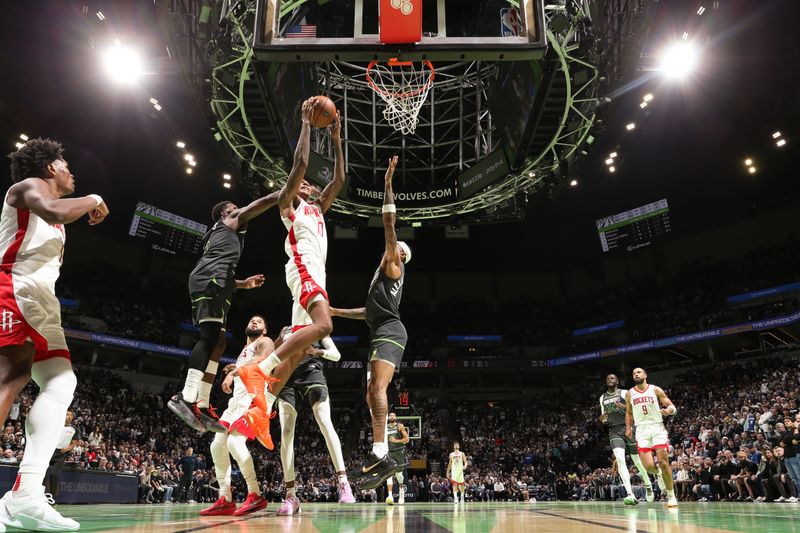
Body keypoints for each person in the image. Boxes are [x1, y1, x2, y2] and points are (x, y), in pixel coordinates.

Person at [0, 138, 109, 532]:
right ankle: (20, 497)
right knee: (9, 380)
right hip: (16, 289)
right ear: (48, 168)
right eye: (65, 164)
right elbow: (55, 211)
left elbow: (60, 215)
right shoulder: (29, 187)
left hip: (43, 301)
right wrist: (94, 197)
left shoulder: (56, 211)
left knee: (62, 383)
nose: (71, 172)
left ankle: (24, 494)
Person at [235, 98, 345, 447]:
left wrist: (338, 138)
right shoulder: (288, 204)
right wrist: (307, 124)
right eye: (303, 184)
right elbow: (300, 162)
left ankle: (260, 410)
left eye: (311, 185)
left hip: (314, 274)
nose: (308, 184)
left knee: (298, 351)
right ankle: (262, 369)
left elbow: (340, 178)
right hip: (302, 269)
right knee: (325, 325)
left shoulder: (318, 208)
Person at [167, 184, 282, 433]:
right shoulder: (228, 221)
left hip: (221, 284)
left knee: (219, 342)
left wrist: (242, 283)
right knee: (209, 337)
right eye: (233, 208)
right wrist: (281, 194)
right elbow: (255, 207)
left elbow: (219, 263)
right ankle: (185, 396)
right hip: (210, 281)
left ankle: (203, 402)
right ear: (225, 214)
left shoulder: (226, 236)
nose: (238, 210)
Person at [329, 156, 412, 489]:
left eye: (394, 249)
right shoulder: (382, 282)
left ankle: (381, 452)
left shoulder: (393, 264)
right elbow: (366, 312)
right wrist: (335, 312)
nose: (389, 250)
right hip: (381, 329)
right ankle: (379, 451)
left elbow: (389, 225)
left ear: (399, 254)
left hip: (390, 332)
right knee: (370, 392)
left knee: (376, 389)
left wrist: (388, 185)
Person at [273, 321, 355, 516]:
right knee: (286, 433)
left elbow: (336, 355)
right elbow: (272, 355)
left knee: (324, 422)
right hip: (287, 379)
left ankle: (344, 483)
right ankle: (291, 495)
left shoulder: (318, 326)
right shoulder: (285, 329)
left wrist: (317, 352)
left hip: (313, 373)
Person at [199, 316, 273, 516]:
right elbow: (245, 364)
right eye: (251, 320)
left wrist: (234, 372)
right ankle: (225, 498)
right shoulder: (243, 351)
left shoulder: (265, 342)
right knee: (217, 445)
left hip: (253, 399)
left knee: (235, 444)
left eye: (259, 321)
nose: (254, 322)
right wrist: (231, 375)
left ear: (265, 330)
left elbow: (260, 361)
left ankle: (255, 494)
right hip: (235, 403)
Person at [624, 367, 678, 507]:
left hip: (657, 427)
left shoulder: (655, 389)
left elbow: (672, 406)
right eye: (634, 373)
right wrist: (629, 428)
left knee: (663, 462)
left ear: (645, 375)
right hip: (641, 430)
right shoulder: (630, 393)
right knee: (648, 467)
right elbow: (629, 413)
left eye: (639, 372)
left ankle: (671, 495)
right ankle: (658, 473)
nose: (636, 374)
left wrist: (668, 411)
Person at [599, 374, 654, 504]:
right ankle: (630, 494)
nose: (610, 380)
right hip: (614, 431)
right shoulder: (602, 397)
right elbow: (602, 417)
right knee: (620, 459)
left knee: (637, 461)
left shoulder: (625, 393)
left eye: (612, 378)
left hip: (629, 429)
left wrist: (622, 407)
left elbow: (635, 410)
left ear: (618, 381)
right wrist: (603, 418)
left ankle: (648, 484)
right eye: (607, 379)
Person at [44, 409, 80, 501]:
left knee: (54, 475)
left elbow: (73, 444)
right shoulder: (56, 426)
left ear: (72, 417)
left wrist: (66, 449)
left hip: (62, 453)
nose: (67, 416)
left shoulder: (74, 429)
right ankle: (40, 497)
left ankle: (52, 499)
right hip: (50, 451)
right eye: (66, 414)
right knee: (44, 474)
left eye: (70, 415)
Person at [385, 412, 409, 505]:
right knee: (389, 474)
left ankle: (401, 493)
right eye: (390, 415)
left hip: (399, 452)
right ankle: (390, 496)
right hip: (389, 452)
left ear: (395, 417)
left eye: (393, 415)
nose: (392, 416)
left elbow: (407, 440)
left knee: (399, 475)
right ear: (388, 417)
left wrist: (396, 440)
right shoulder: (385, 427)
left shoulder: (400, 426)